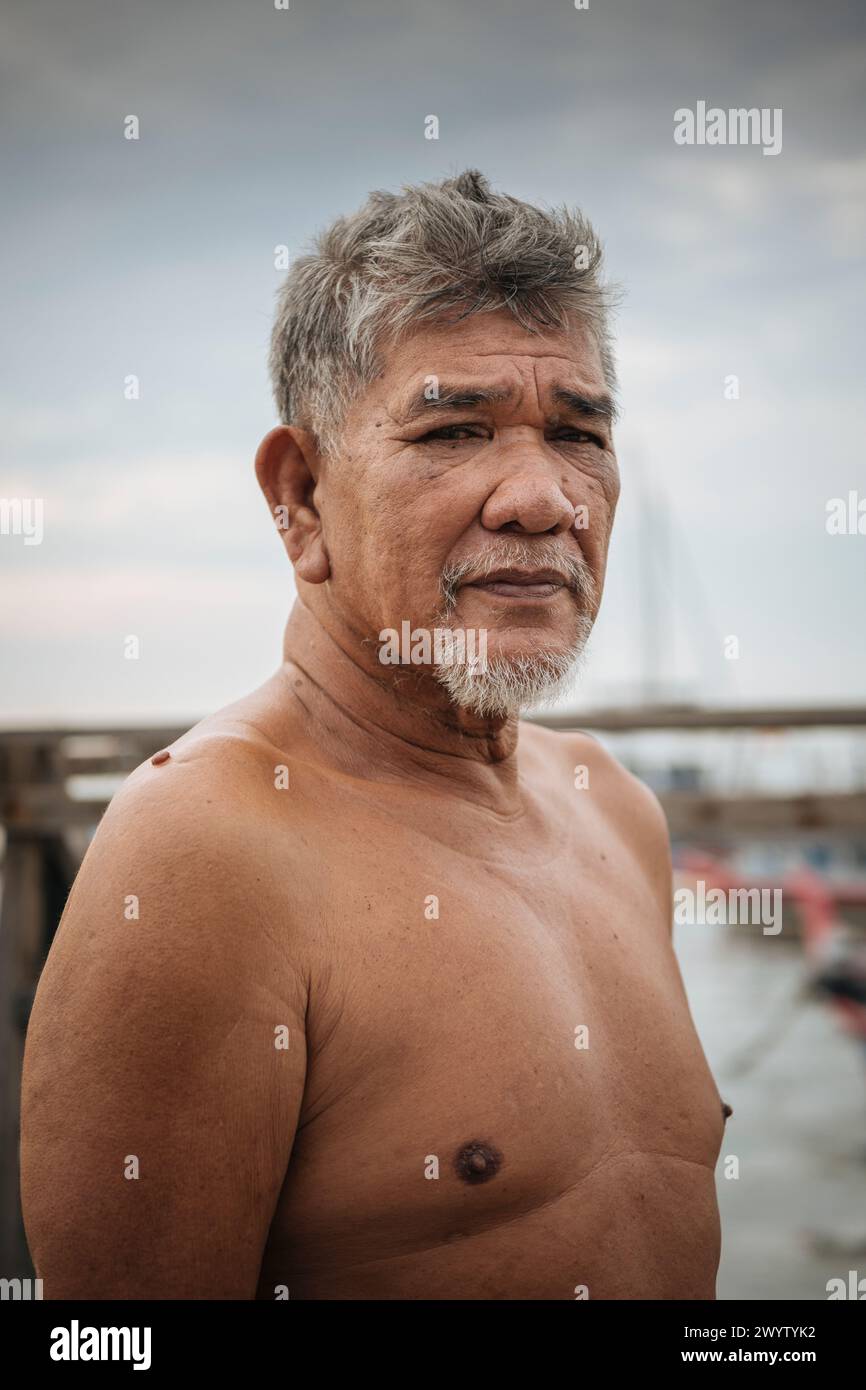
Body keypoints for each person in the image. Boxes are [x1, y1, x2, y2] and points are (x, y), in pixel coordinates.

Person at [20, 170, 727, 1300]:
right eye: (454, 429)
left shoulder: (610, 807)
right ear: (299, 495)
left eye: (576, 433)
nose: (540, 499)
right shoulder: (207, 850)